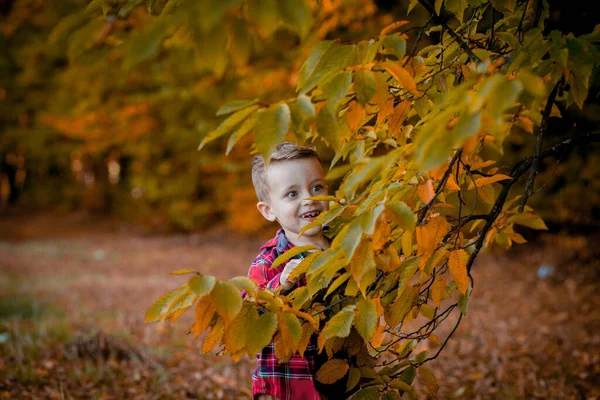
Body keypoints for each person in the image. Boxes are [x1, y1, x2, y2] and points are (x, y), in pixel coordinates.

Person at [247, 142, 331, 400]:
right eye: (292, 194)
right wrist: (280, 285)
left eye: (317, 187)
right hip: (288, 388)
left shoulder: (343, 247)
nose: (310, 199)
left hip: (341, 381)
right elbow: (249, 317)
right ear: (269, 210)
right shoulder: (269, 261)